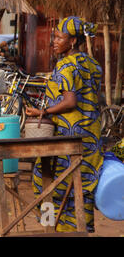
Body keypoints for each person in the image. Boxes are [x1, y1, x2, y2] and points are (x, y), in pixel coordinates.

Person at [25, 16, 103, 233]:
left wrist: (43, 111)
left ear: (73, 41)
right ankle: (80, 230)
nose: (55, 41)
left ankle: (51, 228)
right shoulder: (93, 64)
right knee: (82, 186)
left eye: (60, 37)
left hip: (67, 137)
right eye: (55, 37)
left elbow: (70, 101)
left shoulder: (66, 65)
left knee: (44, 181)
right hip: (90, 136)